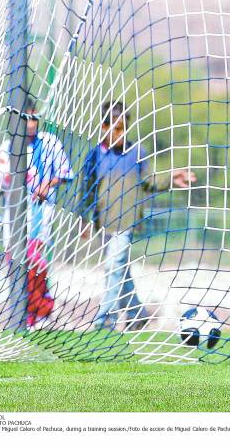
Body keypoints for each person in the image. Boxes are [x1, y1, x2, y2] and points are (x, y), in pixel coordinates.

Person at [82, 101, 195, 332]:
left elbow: (149, 181)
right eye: (115, 128)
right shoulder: (94, 156)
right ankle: (137, 314)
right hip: (104, 223)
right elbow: (87, 191)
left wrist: (171, 178)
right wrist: (84, 220)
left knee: (113, 267)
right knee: (120, 271)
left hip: (127, 223)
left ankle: (106, 319)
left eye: (123, 128)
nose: (120, 134)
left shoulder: (136, 153)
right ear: (103, 127)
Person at [0, 98, 73, 328]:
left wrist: (47, 184)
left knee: (34, 259)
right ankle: (23, 311)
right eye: (26, 119)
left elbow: (65, 173)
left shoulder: (50, 143)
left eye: (33, 118)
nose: (31, 124)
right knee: (15, 262)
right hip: (14, 214)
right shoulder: (7, 148)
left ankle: (41, 310)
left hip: (40, 210)